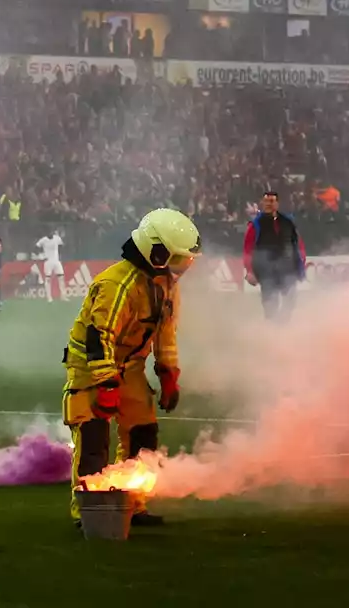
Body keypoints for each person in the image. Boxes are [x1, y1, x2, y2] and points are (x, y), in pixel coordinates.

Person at [64, 208, 201, 528]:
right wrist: (107, 384)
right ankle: (89, 512)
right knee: (93, 437)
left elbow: (165, 333)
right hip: (90, 367)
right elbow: (99, 339)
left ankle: (131, 503)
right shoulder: (116, 284)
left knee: (143, 434)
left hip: (131, 366)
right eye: (178, 258)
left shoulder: (166, 283)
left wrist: (169, 374)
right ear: (156, 250)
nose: (183, 267)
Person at [242, 192, 306, 322]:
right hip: (266, 270)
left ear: (277, 204)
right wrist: (249, 271)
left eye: (271, 201)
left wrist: (301, 263)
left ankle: (282, 323)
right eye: (266, 202)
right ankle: (272, 330)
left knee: (291, 298)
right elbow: (248, 249)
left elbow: (298, 244)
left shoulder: (288, 222)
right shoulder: (256, 225)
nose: (268, 204)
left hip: (287, 268)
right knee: (270, 303)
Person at [37, 229, 66, 302]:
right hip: (48, 262)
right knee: (48, 279)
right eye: (49, 232)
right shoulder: (43, 240)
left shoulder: (57, 238)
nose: (50, 233)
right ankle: (49, 297)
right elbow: (36, 247)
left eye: (51, 232)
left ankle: (63, 296)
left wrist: (60, 254)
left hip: (56, 261)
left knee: (61, 277)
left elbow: (62, 245)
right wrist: (41, 255)